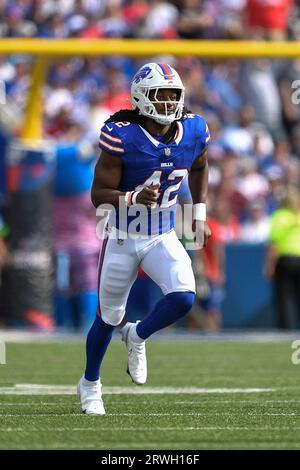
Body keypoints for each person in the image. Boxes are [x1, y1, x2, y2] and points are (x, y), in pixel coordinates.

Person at [77, 62, 211, 415]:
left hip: (161, 234)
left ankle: (137, 335)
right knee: (107, 317)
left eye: (173, 95)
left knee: (184, 297)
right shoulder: (122, 136)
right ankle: (90, 384)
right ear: (141, 98)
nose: (168, 103)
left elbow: (199, 165)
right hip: (121, 235)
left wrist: (197, 212)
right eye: (160, 95)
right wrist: (133, 197)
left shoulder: (194, 130)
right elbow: (97, 194)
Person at [264, 187, 300, 329]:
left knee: (283, 298)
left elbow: (273, 244)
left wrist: (269, 265)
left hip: (285, 260)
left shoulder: (279, 216)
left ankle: (285, 332)